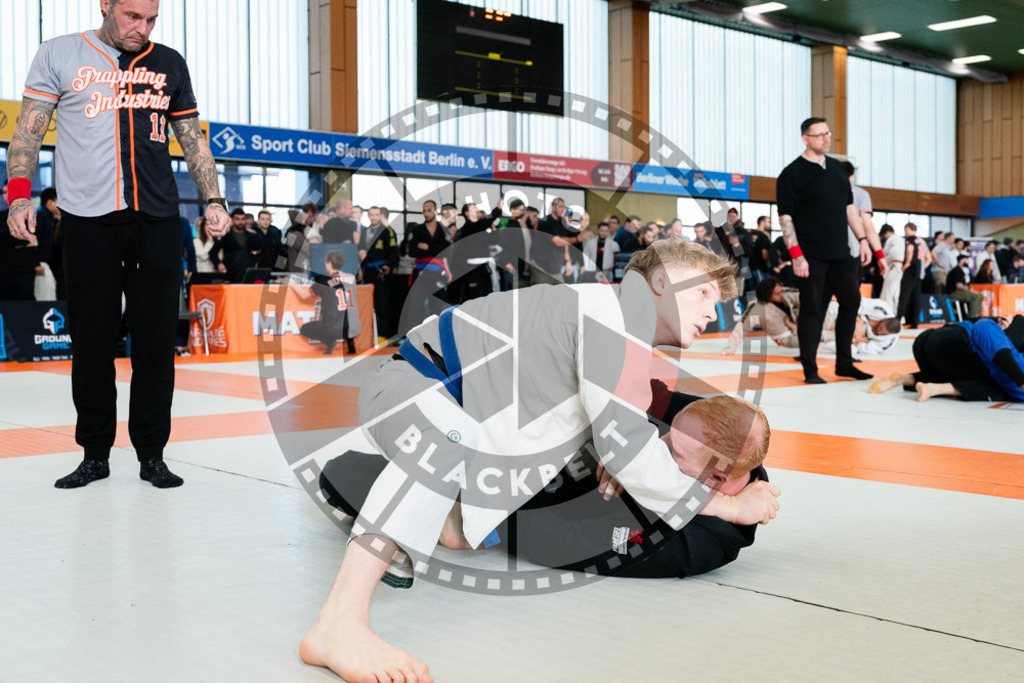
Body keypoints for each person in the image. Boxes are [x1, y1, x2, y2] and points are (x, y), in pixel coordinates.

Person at [298, 240, 782, 681]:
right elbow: (630, 447)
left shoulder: (619, 333)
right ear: (659, 283)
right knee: (445, 440)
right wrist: (726, 507)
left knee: (461, 521)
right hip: (413, 388)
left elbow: (670, 420)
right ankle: (338, 623)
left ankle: (445, 519)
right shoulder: (607, 321)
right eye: (702, 295)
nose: (713, 311)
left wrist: (738, 470)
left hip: (460, 416)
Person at [7, 0, 230, 488]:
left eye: (151, 19)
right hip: (88, 219)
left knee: (155, 342)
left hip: (157, 218)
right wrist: (19, 197)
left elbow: (192, 137)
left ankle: (152, 453)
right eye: (132, 16)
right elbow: (29, 129)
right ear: (106, 6)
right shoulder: (59, 54)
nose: (141, 28)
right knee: (91, 341)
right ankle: (94, 454)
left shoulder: (169, 62)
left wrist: (213, 197)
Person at [319, 392, 771, 580]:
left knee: (341, 475)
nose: (656, 449)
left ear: (718, 479)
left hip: (501, 495)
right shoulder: (704, 428)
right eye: (663, 436)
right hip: (508, 427)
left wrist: (481, 516)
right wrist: (624, 446)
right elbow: (635, 390)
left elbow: (564, 544)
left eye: (671, 456)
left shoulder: (703, 543)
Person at [776, 117, 885, 384]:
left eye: (828, 133)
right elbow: (785, 219)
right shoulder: (791, 174)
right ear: (805, 138)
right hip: (810, 255)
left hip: (840, 252)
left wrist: (862, 239)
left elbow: (850, 209)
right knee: (813, 309)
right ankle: (810, 369)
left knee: (852, 300)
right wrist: (796, 255)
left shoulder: (837, 170)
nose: (826, 139)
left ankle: (844, 364)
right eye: (819, 135)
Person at [870, 315, 1024, 403]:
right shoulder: (1001, 333)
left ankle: (907, 379)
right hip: (949, 344)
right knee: (991, 383)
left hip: (925, 343)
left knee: (991, 379)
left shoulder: (1003, 333)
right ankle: (930, 387)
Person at [293, 250, 360, 355]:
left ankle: (329, 341)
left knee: (304, 329)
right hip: (353, 327)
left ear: (329, 264)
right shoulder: (351, 278)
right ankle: (350, 343)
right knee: (346, 315)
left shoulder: (323, 280)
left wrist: (292, 283)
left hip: (334, 328)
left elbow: (304, 295)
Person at [400, 200, 451, 332]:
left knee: (437, 305)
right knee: (415, 305)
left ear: (436, 211)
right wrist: (434, 249)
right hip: (420, 272)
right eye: (424, 210)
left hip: (438, 272)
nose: (426, 213)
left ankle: (439, 335)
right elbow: (411, 251)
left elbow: (445, 251)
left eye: (429, 210)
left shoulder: (444, 230)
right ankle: (413, 336)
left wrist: (426, 246)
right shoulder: (417, 230)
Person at [721, 276, 802, 355]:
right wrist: (730, 347)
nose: (781, 294)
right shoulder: (756, 307)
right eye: (777, 293)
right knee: (809, 342)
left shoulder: (784, 292)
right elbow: (742, 327)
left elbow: (805, 296)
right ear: (768, 295)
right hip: (785, 338)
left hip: (798, 328)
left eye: (781, 291)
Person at [358, 206, 401, 340]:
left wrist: (388, 266)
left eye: (377, 215)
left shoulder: (388, 231)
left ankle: (383, 335)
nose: (374, 217)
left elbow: (394, 252)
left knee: (382, 304)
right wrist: (359, 260)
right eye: (371, 215)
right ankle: (367, 335)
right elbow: (359, 249)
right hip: (367, 272)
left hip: (382, 272)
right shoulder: (364, 232)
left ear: (380, 215)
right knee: (367, 304)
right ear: (368, 216)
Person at [451, 200, 503, 302]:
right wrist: (498, 208)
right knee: (475, 298)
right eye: (474, 209)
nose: (478, 210)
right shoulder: (469, 228)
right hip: (473, 270)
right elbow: (486, 221)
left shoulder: (480, 228)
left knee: (486, 297)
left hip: (484, 267)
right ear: (467, 213)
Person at [532, 197, 587, 284]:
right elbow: (557, 241)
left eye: (564, 207)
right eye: (560, 206)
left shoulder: (562, 223)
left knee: (559, 294)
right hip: (542, 267)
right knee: (543, 295)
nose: (563, 209)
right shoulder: (545, 222)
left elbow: (565, 244)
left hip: (556, 268)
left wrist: (568, 262)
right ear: (553, 207)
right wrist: (577, 239)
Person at [0, 181, 40, 301]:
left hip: (24, 271)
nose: (6, 195)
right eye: (4, 192)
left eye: (10, 192)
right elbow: (23, 239)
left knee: (25, 309)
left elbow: (29, 238)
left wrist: (7, 238)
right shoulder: (1, 216)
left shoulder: (31, 216)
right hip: (3, 271)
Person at [821, 297, 901, 356]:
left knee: (851, 350)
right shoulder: (882, 307)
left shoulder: (888, 343)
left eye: (883, 333)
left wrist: (858, 339)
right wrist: (858, 322)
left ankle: (821, 341)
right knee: (834, 310)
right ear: (884, 319)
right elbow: (857, 305)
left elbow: (867, 348)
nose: (880, 332)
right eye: (880, 328)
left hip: (854, 339)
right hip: (849, 317)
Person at [211, 208, 262, 282]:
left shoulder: (251, 234)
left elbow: (258, 252)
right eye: (237, 219)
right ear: (232, 220)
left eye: (243, 219)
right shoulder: (225, 235)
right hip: (231, 272)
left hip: (249, 271)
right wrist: (219, 264)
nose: (240, 222)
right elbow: (213, 252)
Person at [896, 222, 925, 328]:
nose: (905, 232)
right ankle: (915, 323)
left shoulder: (910, 240)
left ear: (909, 229)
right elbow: (927, 257)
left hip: (910, 270)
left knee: (903, 296)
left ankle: (897, 320)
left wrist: (905, 266)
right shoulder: (921, 241)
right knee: (916, 298)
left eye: (905, 230)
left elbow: (910, 251)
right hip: (918, 271)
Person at [945, 253, 984, 318]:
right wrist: (970, 290)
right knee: (977, 296)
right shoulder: (957, 270)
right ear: (961, 260)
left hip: (959, 292)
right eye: (966, 260)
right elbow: (959, 286)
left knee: (979, 295)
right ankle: (972, 317)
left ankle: (973, 315)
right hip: (954, 293)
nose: (968, 262)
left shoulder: (962, 270)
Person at [877, 224, 904, 312]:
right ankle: (896, 317)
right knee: (895, 294)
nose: (884, 237)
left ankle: (887, 315)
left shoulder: (892, 239)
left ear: (887, 232)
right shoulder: (901, 239)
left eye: (884, 235)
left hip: (893, 267)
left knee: (887, 293)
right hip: (898, 267)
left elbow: (893, 252)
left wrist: (885, 261)